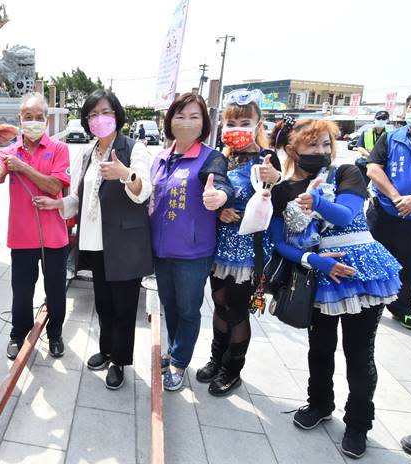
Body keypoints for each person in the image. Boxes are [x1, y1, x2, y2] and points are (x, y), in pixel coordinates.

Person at [269, 118, 401, 460]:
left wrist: (317, 201)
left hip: (362, 271)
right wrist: (315, 260)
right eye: (312, 145)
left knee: (359, 353)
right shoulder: (282, 190)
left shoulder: (346, 173)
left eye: (326, 144)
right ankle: (319, 404)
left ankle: (358, 423)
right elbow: (278, 242)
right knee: (320, 347)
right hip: (320, 275)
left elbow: (345, 216)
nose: (321, 152)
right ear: (292, 149)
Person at [33, 89, 153, 390]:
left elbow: (145, 192)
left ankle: (120, 361)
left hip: (124, 243)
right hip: (95, 242)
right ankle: (107, 349)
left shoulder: (134, 149)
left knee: (125, 307)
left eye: (105, 112)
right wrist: (59, 205)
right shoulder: (86, 153)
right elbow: (77, 196)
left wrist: (125, 174)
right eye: (93, 114)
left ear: (117, 115)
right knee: (103, 302)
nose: (99, 119)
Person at [0, 92, 70, 360]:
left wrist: (24, 168)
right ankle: (18, 333)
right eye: (28, 117)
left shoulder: (59, 150)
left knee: (55, 290)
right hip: (22, 236)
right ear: (20, 119)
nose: (34, 121)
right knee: (22, 290)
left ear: (47, 120)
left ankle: (55, 334)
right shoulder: (8, 152)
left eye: (39, 117)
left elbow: (55, 185)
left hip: (54, 237)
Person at [197, 89, 282, 396]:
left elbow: (275, 201)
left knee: (236, 310)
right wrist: (221, 210)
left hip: (248, 250)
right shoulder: (221, 158)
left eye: (245, 120)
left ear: (258, 123)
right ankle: (215, 359)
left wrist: (275, 179)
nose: (237, 126)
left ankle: (233, 369)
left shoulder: (267, 161)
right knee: (218, 304)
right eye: (232, 121)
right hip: (218, 245)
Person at [149, 93, 234, 392]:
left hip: (192, 252)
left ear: (204, 124)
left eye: (194, 116)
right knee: (169, 305)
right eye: (180, 115)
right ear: (170, 120)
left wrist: (220, 196)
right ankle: (173, 348)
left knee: (187, 309)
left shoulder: (211, 157)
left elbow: (221, 183)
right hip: (161, 250)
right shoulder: (160, 157)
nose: (186, 122)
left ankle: (179, 362)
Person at [367, 88, 411, 331]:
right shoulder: (392, 137)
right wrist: (396, 197)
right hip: (383, 211)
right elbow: (373, 168)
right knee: (373, 256)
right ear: (406, 110)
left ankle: (402, 308)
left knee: (410, 263)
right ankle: (369, 301)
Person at [354, 110, 390, 183]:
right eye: (379, 118)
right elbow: (360, 147)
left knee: (380, 185)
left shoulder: (391, 133)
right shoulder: (366, 132)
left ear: (387, 120)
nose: (381, 121)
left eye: (384, 119)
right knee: (362, 182)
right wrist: (370, 156)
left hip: (383, 164)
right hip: (368, 161)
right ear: (374, 119)